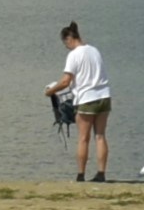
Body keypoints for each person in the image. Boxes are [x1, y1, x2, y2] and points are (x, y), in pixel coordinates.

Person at [46, 20, 111, 182]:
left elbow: (65, 82)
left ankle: (81, 175)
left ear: (68, 39)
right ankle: (101, 174)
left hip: (87, 100)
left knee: (83, 138)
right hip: (104, 96)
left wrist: (50, 91)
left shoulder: (74, 55)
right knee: (100, 136)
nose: (66, 47)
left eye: (65, 43)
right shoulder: (94, 50)